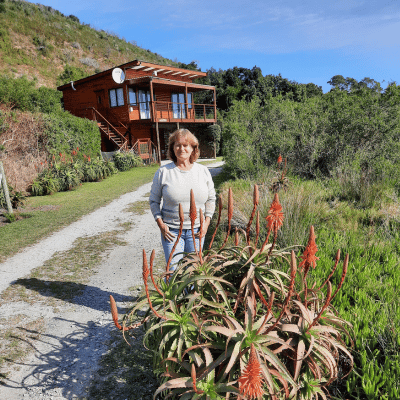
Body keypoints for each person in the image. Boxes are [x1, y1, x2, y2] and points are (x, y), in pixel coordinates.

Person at [149, 128, 216, 272]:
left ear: (193, 148)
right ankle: (174, 295)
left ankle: (191, 295)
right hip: (172, 231)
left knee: (193, 272)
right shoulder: (164, 172)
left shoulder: (203, 171)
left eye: (186, 145)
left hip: (197, 231)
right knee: (174, 272)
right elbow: (154, 201)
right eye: (177, 145)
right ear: (172, 149)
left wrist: (207, 223)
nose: (181, 148)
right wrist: (160, 224)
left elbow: (211, 199)